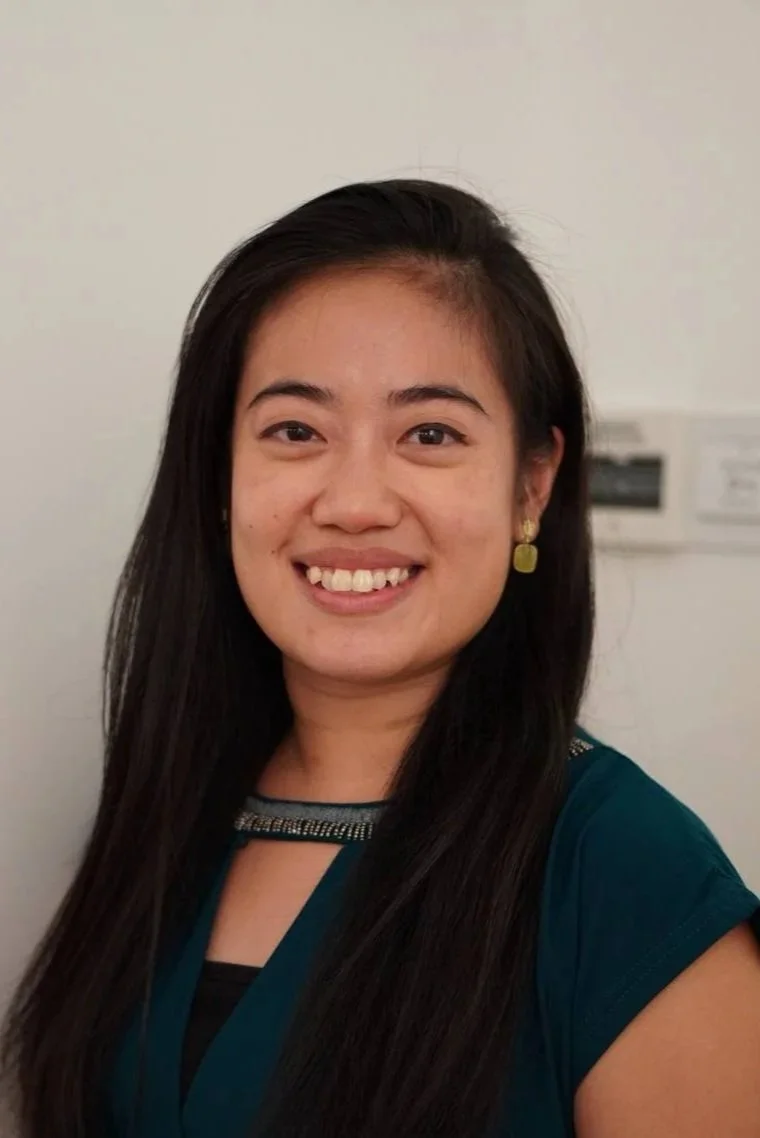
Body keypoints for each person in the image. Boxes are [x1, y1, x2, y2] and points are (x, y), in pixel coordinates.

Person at [2, 179, 759, 1138]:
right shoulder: (172, 812)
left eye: (430, 433)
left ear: (532, 487)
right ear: (220, 477)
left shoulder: (625, 874)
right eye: (295, 430)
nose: (355, 500)